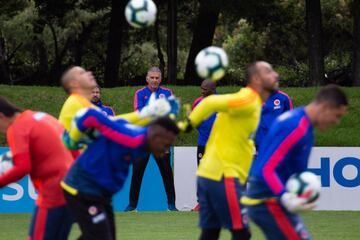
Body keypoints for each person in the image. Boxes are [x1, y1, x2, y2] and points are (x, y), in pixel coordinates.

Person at [178, 61, 280, 240]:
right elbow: (210, 102)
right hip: (222, 176)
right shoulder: (249, 98)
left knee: (210, 232)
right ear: (256, 79)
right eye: (269, 72)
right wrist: (188, 124)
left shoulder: (252, 101)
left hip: (210, 174)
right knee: (241, 232)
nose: (276, 75)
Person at [243, 84, 348, 240]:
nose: (337, 122)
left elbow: (296, 171)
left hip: (276, 201)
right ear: (326, 107)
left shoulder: (303, 125)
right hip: (266, 201)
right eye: (337, 115)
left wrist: (304, 191)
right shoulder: (295, 127)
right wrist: (285, 196)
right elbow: (266, 169)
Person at [61, 107, 180, 240]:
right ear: (156, 135)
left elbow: (118, 122)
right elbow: (90, 115)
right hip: (82, 188)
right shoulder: (130, 137)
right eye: (166, 145)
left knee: (104, 236)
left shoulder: (144, 141)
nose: (165, 151)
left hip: (101, 193)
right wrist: (72, 140)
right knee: (100, 236)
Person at [0, 96, 74, 240]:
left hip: (53, 194)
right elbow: (73, 148)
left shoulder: (17, 128)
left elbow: (22, 167)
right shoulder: (44, 117)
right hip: (72, 190)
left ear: (1, 116)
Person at [125, 67, 177, 211]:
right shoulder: (140, 94)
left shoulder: (167, 93)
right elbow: (140, 115)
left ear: (160, 79)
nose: (154, 80)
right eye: (152, 78)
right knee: (137, 173)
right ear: (147, 79)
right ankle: (132, 205)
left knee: (167, 172)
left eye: (157, 78)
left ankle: (172, 205)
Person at [191, 79, 217, 211]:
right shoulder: (197, 102)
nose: (202, 91)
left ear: (213, 89)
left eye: (205, 89)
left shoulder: (222, 102)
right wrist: (203, 131)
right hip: (203, 143)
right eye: (201, 88)